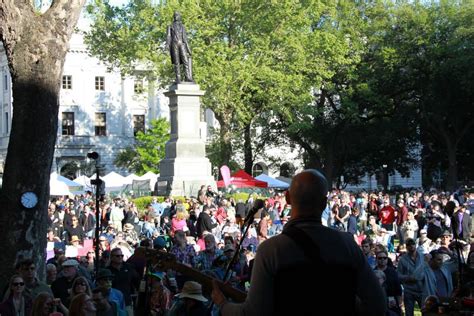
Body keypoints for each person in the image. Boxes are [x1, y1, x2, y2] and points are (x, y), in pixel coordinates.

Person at [211, 169, 386, 315]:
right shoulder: (347, 246)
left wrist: (223, 304)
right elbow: (377, 304)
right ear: (325, 203)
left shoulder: (271, 251)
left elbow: (253, 313)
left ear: (287, 198)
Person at [166, 11, 193, 83]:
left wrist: (188, 50)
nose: (175, 16)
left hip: (182, 44)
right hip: (174, 44)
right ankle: (178, 78)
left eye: (177, 15)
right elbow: (168, 36)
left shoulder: (182, 26)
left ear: (179, 16)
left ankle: (188, 77)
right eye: (174, 15)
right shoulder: (170, 26)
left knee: (185, 61)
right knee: (176, 62)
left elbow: (185, 38)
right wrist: (167, 45)